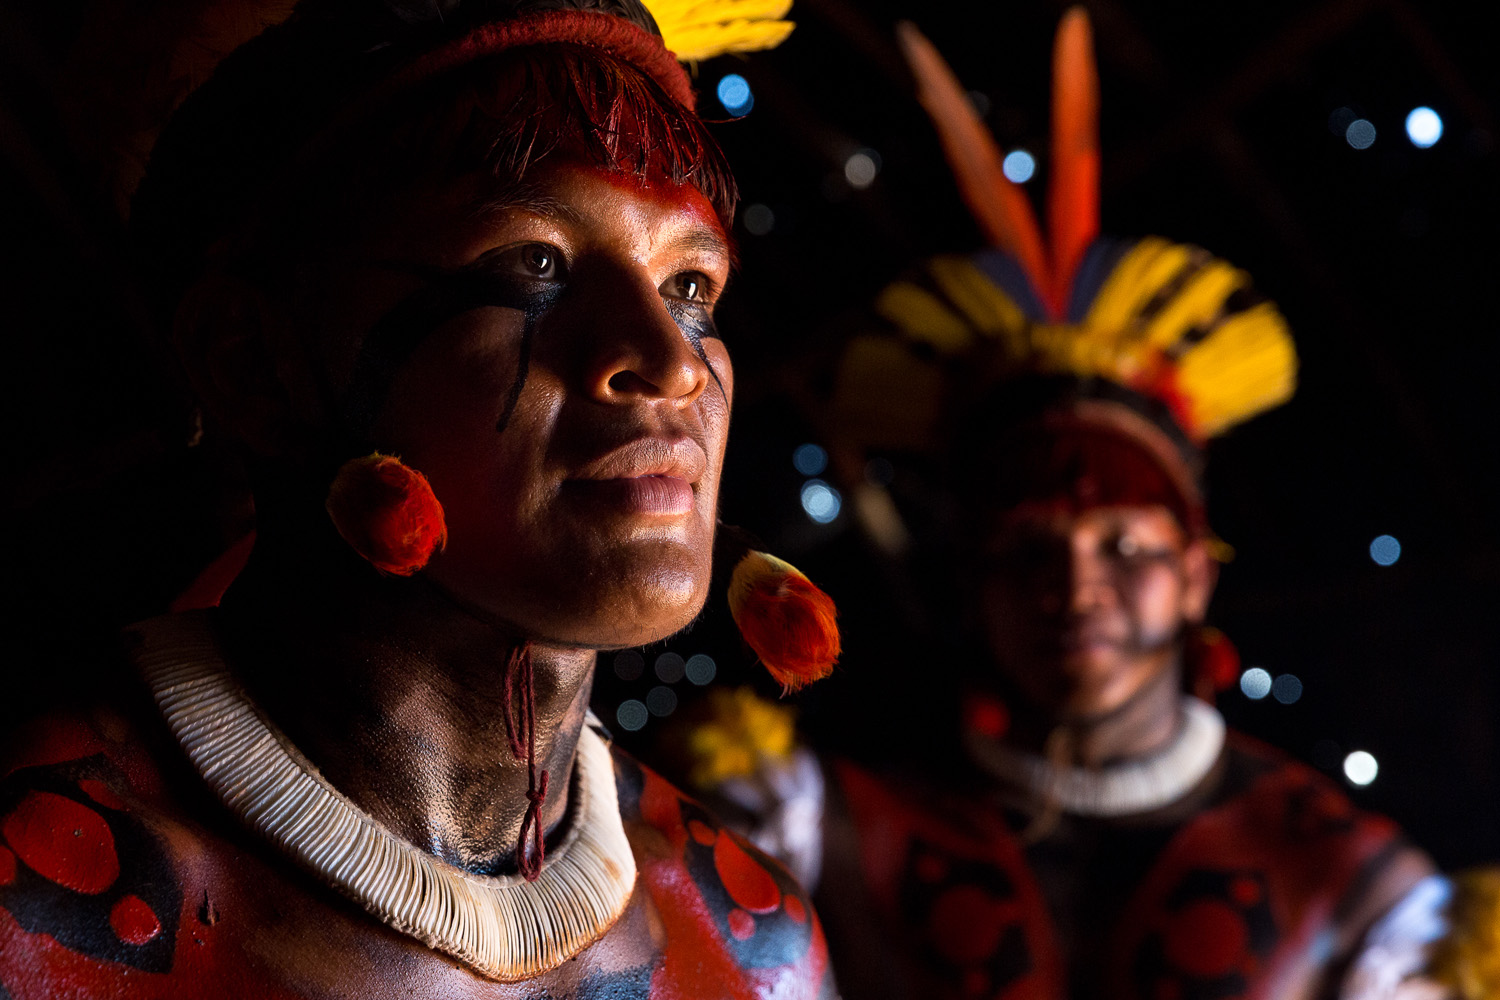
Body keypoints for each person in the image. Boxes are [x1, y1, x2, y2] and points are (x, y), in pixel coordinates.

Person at [0, 1, 839, 996]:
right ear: (252, 363)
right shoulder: (38, 908)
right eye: (535, 264)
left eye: (691, 284)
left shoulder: (754, 941)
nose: (669, 363)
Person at [814, 11, 1434, 1000]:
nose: (1076, 585)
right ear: (974, 579)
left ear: (1196, 575)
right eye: (1027, 549)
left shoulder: (1360, 894)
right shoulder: (818, 831)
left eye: (1126, 545)